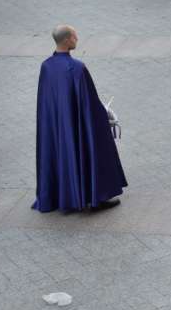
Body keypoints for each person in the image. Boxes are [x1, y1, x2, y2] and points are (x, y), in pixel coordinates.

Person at [33, 25, 128, 212]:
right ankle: (96, 198)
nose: (77, 39)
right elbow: (89, 102)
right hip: (75, 124)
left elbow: (46, 101)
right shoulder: (76, 68)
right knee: (96, 145)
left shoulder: (46, 66)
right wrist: (104, 114)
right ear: (67, 40)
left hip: (57, 125)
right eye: (75, 36)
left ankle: (59, 195)